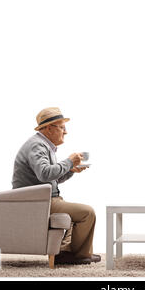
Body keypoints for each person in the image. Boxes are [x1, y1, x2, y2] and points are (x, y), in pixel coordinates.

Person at [12, 107, 100, 265]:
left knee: (78, 212)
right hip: (37, 201)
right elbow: (45, 173)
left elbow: (49, 179)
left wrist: (70, 170)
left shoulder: (42, 145)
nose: (65, 132)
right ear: (48, 128)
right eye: (62, 127)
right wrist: (68, 161)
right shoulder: (37, 146)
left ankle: (66, 252)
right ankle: (77, 255)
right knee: (87, 213)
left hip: (42, 198)